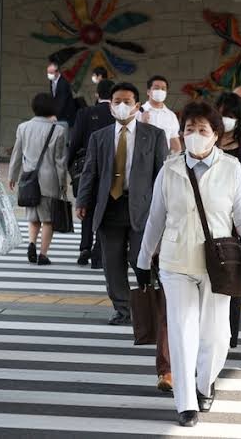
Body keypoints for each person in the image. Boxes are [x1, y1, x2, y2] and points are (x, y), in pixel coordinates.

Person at [136, 101, 241, 427]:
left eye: (202, 130)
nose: (194, 135)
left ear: (216, 135)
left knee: (218, 335)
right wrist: (143, 259)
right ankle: (186, 402)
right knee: (181, 330)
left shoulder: (231, 168)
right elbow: (155, 218)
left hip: (218, 263)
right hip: (175, 261)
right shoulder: (170, 168)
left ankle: (205, 382)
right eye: (189, 129)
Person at [75, 81, 168, 325]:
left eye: (127, 102)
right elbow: (89, 172)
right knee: (112, 262)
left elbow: (162, 175)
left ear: (137, 105)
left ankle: (150, 303)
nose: (122, 106)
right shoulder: (100, 137)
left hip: (142, 208)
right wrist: (82, 201)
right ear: (111, 107)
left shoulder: (154, 136)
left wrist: (165, 209)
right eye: (117, 102)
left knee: (142, 258)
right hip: (109, 207)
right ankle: (123, 309)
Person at [8, 93, 67, 265]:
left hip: (28, 178)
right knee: (48, 219)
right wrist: (63, 183)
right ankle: (43, 254)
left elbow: (17, 154)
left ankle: (31, 244)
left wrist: (12, 175)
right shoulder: (58, 130)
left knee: (33, 216)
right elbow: (60, 161)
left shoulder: (23, 127)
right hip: (50, 180)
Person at [214, 91, 241, 342]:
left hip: (238, 220)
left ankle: (230, 333)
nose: (224, 120)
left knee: (233, 275)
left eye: (229, 115)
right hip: (211, 219)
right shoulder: (208, 141)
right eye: (220, 115)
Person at [68, 79, 115, 267]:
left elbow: (75, 140)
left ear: (97, 94)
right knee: (104, 208)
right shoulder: (117, 114)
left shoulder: (85, 113)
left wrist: (70, 165)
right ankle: (98, 250)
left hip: (87, 167)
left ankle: (84, 247)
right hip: (111, 169)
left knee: (86, 207)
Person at [137, 75, 181, 154]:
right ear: (148, 91)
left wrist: (176, 160)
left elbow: (174, 141)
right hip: (142, 159)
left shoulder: (171, 115)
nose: (160, 91)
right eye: (156, 88)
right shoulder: (138, 112)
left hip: (163, 160)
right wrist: (143, 124)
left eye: (163, 89)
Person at [47, 60, 77, 127]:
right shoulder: (52, 81)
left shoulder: (63, 83)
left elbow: (62, 101)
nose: (49, 74)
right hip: (59, 113)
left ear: (57, 72)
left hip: (66, 115)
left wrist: (56, 116)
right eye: (48, 72)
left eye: (51, 72)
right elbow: (53, 97)